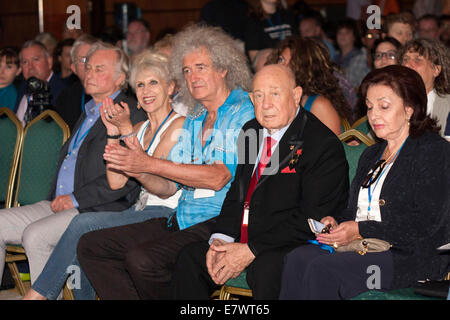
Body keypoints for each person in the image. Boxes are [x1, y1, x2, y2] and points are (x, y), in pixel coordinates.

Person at [76, 24, 255, 300]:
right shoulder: (196, 117)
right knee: (92, 246)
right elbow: (169, 188)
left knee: (143, 260)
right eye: (186, 71)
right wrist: (138, 167)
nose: (192, 77)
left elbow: (219, 177)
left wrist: (148, 163)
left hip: (219, 219)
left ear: (223, 68)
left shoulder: (241, 110)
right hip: (182, 216)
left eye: (200, 67)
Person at [171, 64, 349, 300]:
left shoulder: (320, 144)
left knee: (267, 269)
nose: (266, 104)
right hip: (247, 236)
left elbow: (313, 217)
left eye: (275, 94)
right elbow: (238, 192)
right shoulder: (252, 131)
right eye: (258, 95)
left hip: (291, 241)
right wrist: (220, 240)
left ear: (295, 95)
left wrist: (251, 249)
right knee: (190, 259)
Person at [22, 50, 185, 300]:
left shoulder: (179, 125)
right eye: (140, 84)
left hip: (166, 212)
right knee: (84, 239)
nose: (146, 90)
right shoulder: (140, 128)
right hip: (138, 211)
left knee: (82, 224)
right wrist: (112, 133)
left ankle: (36, 296)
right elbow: (116, 180)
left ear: (171, 87)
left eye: (154, 82)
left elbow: (149, 169)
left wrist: (125, 131)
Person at [279, 65, 449, 300]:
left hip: (408, 259)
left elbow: (427, 226)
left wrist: (359, 229)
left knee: (323, 269)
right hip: (365, 247)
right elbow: (353, 211)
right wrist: (336, 221)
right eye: (369, 107)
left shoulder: (433, 151)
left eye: (384, 106)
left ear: (410, 109)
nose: (373, 115)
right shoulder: (371, 155)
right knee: (297, 258)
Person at [0, 41, 146, 290]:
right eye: (88, 68)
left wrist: (75, 199)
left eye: (99, 69)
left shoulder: (128, 114)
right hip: (59, 203)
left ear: (120, 78)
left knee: (35, 236)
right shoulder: (90, 110)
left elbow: (124, 184)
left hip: (97, 208)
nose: (89, 74)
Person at [269, 36, 352, 134]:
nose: (283, 67)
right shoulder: (278, 99)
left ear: (305, 69)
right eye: (282, 60)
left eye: (292, 63)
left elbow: (334, 147)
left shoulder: (318, 105)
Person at [399, 38, 450, 136]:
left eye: (418, 60)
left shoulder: (448, 105)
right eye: (405, 59)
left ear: (436, 70)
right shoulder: (391, 102)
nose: (407, 64)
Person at [14, 40, 67, 126]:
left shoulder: (63, 92)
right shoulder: (23, 87)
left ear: (49, 62)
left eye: (35, 60)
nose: (30, 67)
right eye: (25, 62)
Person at [51, 34, 97, 131]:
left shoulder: (113, 94)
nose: (89, 64)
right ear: (74, 68)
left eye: (93, 57)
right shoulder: (66, 97)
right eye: (83, 60)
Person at [334, 19, 370, 90]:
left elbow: (355, 83)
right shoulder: (335, 57)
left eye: (347, 33)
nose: (342, 36)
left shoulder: (361, 56)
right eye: (340, 33)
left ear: (354, 37)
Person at [0, 47, 21, 111]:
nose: (2, 71)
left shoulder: (12, 96)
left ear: (18, 71)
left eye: (8, 67)